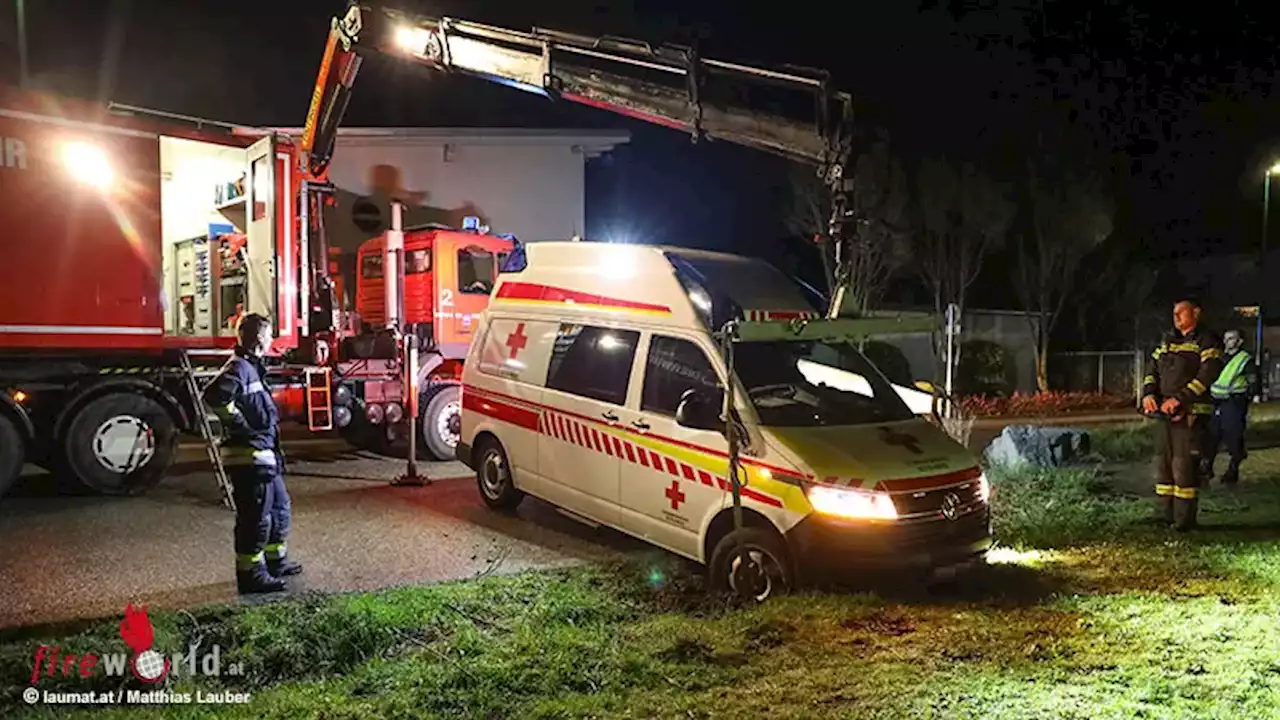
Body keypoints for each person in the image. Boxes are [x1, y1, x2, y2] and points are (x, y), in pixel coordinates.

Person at [204, 313, 303, 594]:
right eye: (269, 334)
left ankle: (275, 561)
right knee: (256, 518)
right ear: (260, 338)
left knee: (279, 508)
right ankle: (251, 575)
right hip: (249, 458)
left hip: (263, 457)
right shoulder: (240, 367)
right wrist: (241, 426)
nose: (272, 339)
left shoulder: (252, 367)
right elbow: (215, 396)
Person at [1141, 298, 1224, 531]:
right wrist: (1148, 394)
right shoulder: (1168, 341)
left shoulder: (1207, 340)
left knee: (1184, 467)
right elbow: (1152, 370)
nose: (1176, 317)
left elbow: (1208, 374)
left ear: (1196, 313)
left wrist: (1180, 399)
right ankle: (1164, 515)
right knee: (1164, 466)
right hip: (1164, 416)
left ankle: (1184, 520)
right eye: (1174, 313)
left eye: (1181, 312)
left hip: (1191, 416)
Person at [1203, 329, 1258, 487]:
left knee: (1233, 437)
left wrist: (1245, 396)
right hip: (1216, 402)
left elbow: (1253, 382)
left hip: (1234, 403)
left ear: (1240, 341)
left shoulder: (1245, 360)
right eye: (1225, 338)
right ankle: (1206, 469)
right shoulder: (1219, 358)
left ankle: (1232, 471)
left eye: (1232, 338)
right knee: (1211, 436)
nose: (1227, 341)